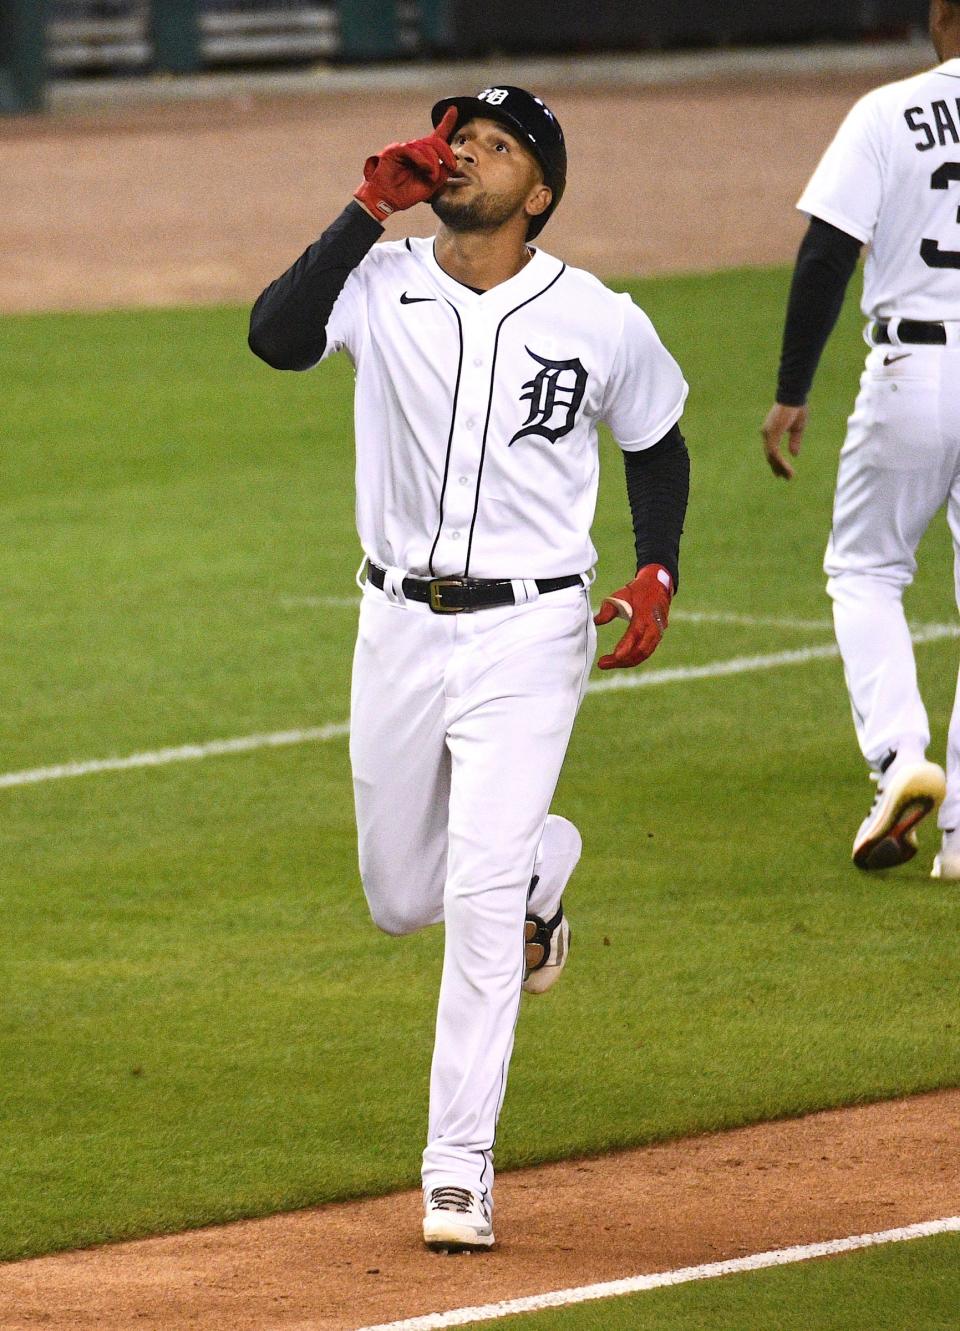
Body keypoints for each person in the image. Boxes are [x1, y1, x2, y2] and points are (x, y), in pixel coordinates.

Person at [249, 85, 690, 1251]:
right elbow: (273, 336)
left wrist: (659, 571)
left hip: (531, 633)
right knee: (403, 897)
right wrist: (360, 207)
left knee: (477, 910)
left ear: (536, 194)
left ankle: (458, 1166)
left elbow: (659, 442)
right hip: (393, 625)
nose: (464, 155)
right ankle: (547, 861)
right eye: (458, 138)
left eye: (495, 146)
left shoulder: (599, 317)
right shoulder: (379, 279)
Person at [760, 0, 960, 878]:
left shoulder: (889, 110)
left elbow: (826, 253)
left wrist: (791, 391)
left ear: (939, 18)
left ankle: (897, 757)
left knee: (867, 570)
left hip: (915, 372)